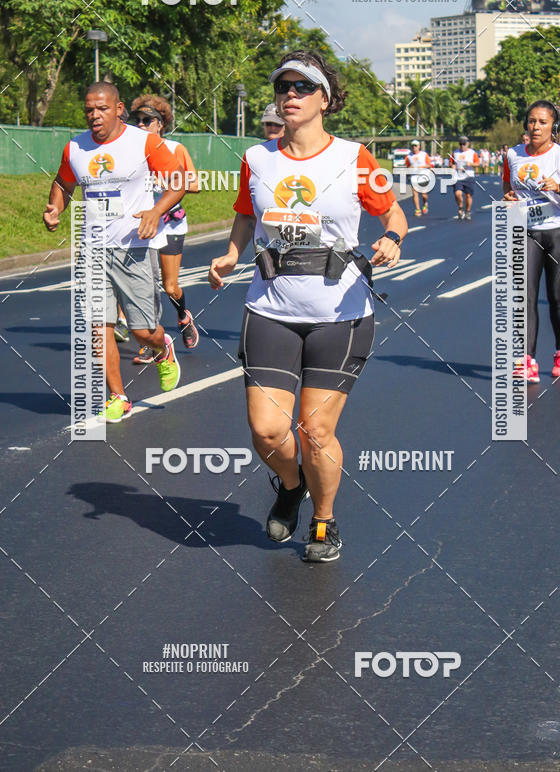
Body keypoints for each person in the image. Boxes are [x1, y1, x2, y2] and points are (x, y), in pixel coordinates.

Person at [208, 50, 408, 562]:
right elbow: (245, 216)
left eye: (302, 87)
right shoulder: (257, 159)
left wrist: (391, 239)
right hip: (271, 308)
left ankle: (324, 521)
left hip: (340, 313)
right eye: (284, 87)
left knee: (315, 430)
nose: (290, 95)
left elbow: (395, 214)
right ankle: (290, 485)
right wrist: (231, 254)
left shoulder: (354, 158)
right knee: (267, 429)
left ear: (325, 99)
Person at [43, 82, 184, 421]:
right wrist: (54, 207)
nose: (95, 115)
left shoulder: (144, 142)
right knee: (98, 327)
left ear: (119, 109)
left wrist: (155, 211)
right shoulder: (75, 148)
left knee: (141, 330)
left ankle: (162, 347)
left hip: (132, 245)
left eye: (102, 109)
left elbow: (177, 182)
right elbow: (64, 183)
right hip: (92, 249)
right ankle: (118, 396)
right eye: (89, 109)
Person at [503, 100, 560, 382]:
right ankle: (527, 360)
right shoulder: (513, 155)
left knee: (556, 298)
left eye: (542, 122)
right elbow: (508, 188)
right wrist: (509, 198)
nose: (536, 127)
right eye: (531, 121)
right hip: (527, 232)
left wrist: (559, 187)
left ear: (553, 126)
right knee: (524, 298)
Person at [129, 94, 200, 364]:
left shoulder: (175, 148)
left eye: (149, 121)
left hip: (170, 224)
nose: (142, 125)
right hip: (145, 226)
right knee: (146, 287)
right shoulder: (131, 152)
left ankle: (183, 316)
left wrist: (165, 179)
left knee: (170, 287)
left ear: (161, 124)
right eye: (139, 121)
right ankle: (151, 341)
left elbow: (193, 184)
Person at [450, 135, 479, 220]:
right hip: (458, 177)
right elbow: (451, 163)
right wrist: (452, 166)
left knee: (468, 196)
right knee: (457, 193)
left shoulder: (472, 153)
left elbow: (477, 163)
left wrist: (471, 164)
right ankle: (460, 207)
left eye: (464, 144)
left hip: (469, 176)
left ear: (467, 144)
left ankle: (467, 211)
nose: (462, 146)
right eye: (460, 144)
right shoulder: (455, 153)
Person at [405, 138, 431, 216]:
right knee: (414, 193)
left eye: (415, 146)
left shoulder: (424, 154)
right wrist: (409, 169)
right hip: (414, 177)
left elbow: (429, 165)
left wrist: (421, 167)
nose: (414, 147)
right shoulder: (408, 156)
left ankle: (425, 203)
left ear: (419, 146)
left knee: (424, 195)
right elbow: (407, 166)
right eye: (413, 146)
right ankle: (417, 209)